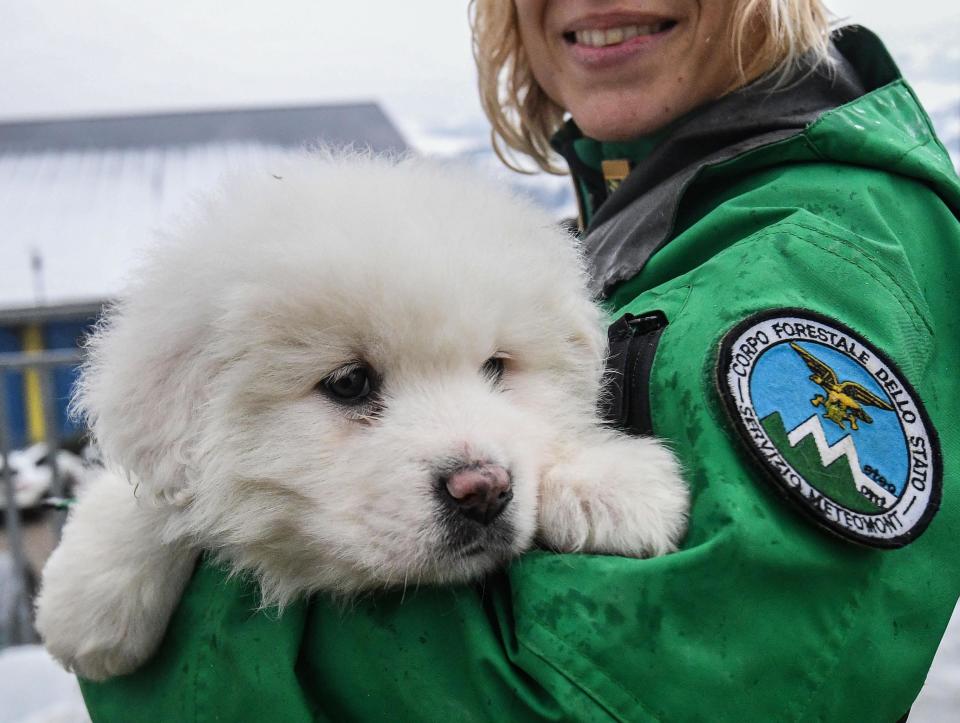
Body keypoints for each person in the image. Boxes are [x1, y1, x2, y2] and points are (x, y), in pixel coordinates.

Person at [80, 1, 960, 720]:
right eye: (352, 386)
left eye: (494, 367)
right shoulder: (663, 203)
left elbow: (654, 689)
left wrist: (171, 658)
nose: (481, 468)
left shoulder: (810, 258)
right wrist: (144, 520)